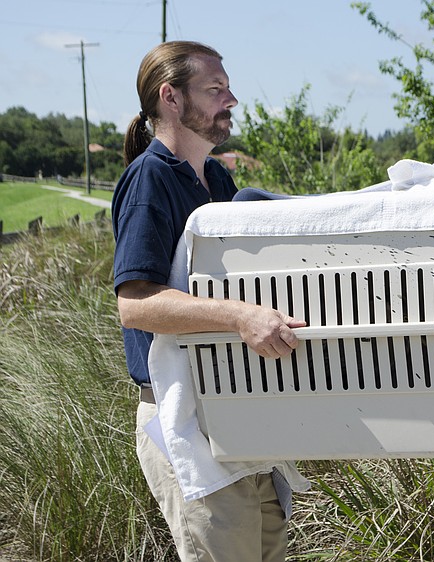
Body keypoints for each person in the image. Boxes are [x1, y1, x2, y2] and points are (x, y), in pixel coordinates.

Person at [111, 41, 305, 561]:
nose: (231, 99)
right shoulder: (150, 180)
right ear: (171, 98)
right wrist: (242, 317)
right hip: (182, 419)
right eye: (215, 89)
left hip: (237, 414)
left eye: (228, 87)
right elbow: (136, 304)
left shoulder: (217, 179)